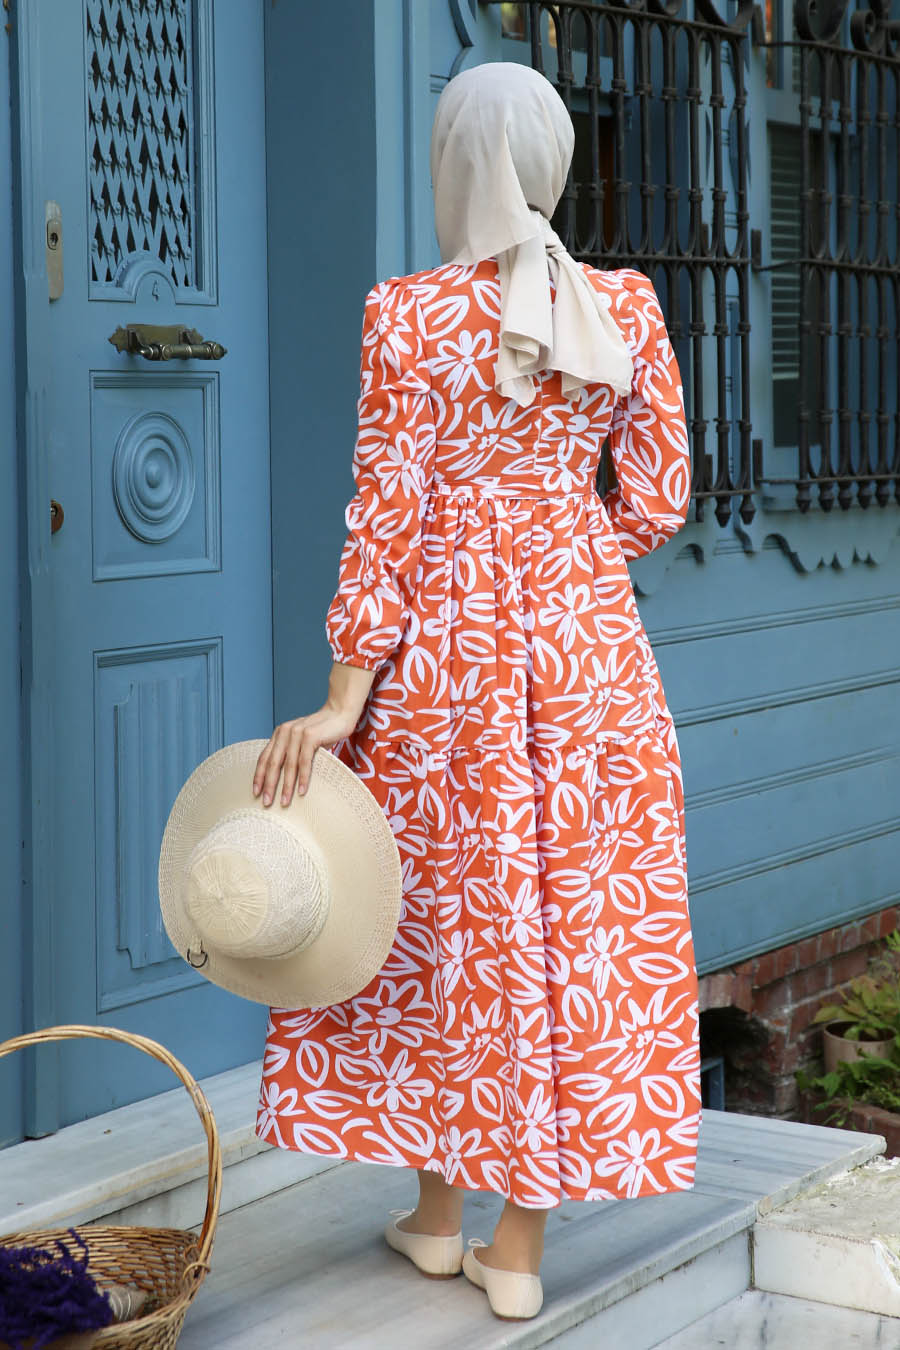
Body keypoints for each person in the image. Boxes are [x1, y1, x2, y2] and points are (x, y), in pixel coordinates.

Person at [251, 61, 701, 1323]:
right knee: (568, 925)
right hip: (590, 659)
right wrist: (560, 551)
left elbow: (384, 520)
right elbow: (658, 501)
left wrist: (344, 698)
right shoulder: (627, 306)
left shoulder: (405, 315)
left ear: (455, 163)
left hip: (446, 664)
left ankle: (436, 1217)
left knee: (455, 922)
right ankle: (506, 1243)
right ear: (553, 163)